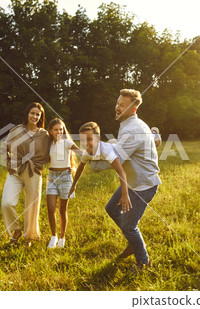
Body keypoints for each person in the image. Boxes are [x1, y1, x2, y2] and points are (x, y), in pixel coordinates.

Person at [90, 89, 162, 273]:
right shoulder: (128, 124)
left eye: (122, 105)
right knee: (111, 208)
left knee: (129, 226)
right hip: (133, 182)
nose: (117, 107)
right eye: (117, 103)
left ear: (133, 109)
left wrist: (94, 164)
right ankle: (133, 243)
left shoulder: (133, 129)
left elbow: (118, 159)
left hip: (143, 185)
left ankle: (143, 263)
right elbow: (121, 147)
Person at [0, 102, 50, 247]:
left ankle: (30, 237)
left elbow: (51, 151)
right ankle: (15, 231)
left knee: (32, 206)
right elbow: (5, 147)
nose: (34, 116)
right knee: (7, 203)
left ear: (40, 117)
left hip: (34, 172)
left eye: (37, 114)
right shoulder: (16, 130)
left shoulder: (43, 134)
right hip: (16, 171)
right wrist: (8, 162)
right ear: (27, 114)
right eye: (32, 113)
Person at [68, 121, 132, 218]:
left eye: (89, 139)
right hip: (104, 152)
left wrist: (125, 194)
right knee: (93, 165)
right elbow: (80, 167)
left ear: (98, 139)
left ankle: (153, 136)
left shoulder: (106, 151)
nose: (85, 143)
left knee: (119, 147)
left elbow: (121, 172)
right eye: (82, 140)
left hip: (119, 150)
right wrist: (73, 186)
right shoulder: (86, 153)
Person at [46, 118, 83, 249]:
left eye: (61, 129)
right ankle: (53, 236)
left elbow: (81, 152)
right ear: (50, 131)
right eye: (56, 129)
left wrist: (93, 151)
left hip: (65, 178)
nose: (59, 131)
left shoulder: (67, 143)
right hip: (51, 178)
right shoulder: (49, 144)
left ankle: (62, 237)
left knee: (62, 210)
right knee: (51, 209)